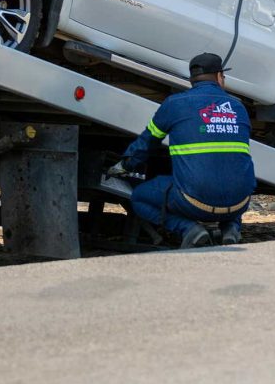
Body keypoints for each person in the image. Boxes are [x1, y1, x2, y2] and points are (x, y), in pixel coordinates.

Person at [109, 53, 256, 248]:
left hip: (193, 203)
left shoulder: (174, 104)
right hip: (240, 203)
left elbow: (146, 143)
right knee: (230, 179)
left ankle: (189, 229)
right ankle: (231, 229)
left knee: (139, 198)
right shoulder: (239, 108)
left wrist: (124, 165)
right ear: (220, 77)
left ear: (191, 79)